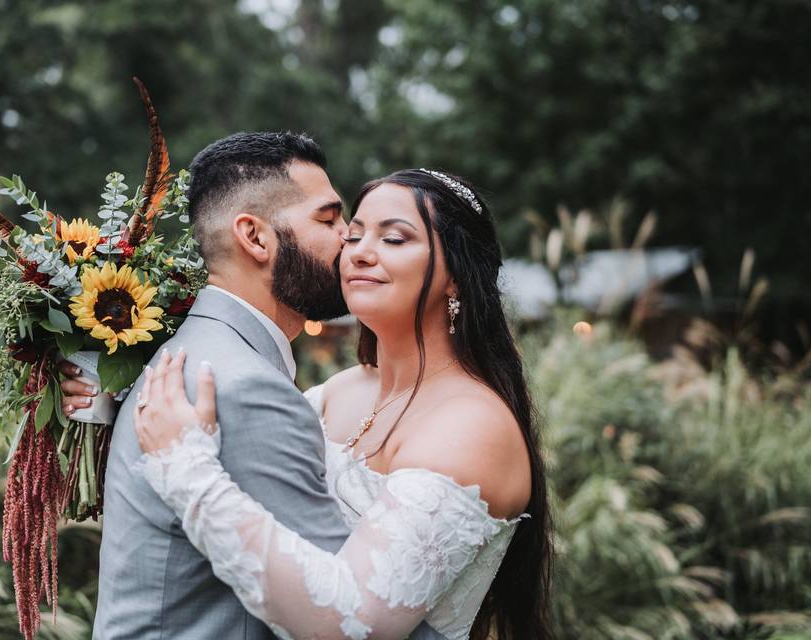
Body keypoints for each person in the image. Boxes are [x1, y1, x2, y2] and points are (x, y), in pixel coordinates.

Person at [132, 169, 554, 639]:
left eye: (394, 239)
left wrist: (186, 472)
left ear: (456, 276)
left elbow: (347, 623)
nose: (358, 252)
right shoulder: (341, 391)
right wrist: (109, 396)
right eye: (353, 236)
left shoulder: (473, 427)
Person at [66, 132, 446, 639]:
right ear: (256, 237)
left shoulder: (195, 354)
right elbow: (350, 619)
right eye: (330, 220)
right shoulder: (241, 387)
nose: (349, 243)